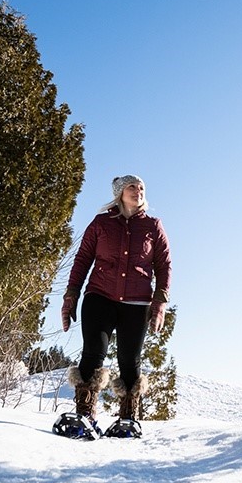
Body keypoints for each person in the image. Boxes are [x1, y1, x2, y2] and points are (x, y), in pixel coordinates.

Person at [61, 174, 172, 429]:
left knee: (129, 359)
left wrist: (160, 302)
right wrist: (71, 296)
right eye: (132, 186)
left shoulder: (153, 226)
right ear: (120, 193)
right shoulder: (101, 223)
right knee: (93, 352)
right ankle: (85, 414)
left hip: (136, 303)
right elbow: (82, 259)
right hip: (99, 296)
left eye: (142, 187)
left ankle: (128, 419)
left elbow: (164, 265)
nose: (138, 191)